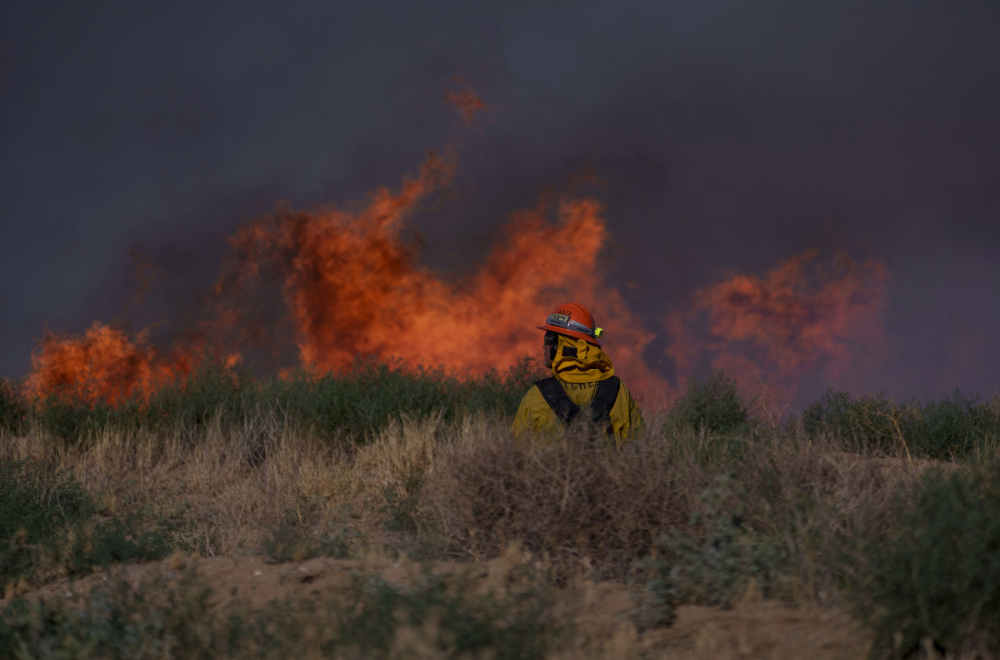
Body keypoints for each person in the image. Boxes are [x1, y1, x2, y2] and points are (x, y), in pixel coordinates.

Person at [511, 302, 644, 447]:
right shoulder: (618, 390)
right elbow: (639, 445)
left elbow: (516, 451)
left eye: (548, 340)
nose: (544, 346)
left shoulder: (537, 396)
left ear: (559, 346)